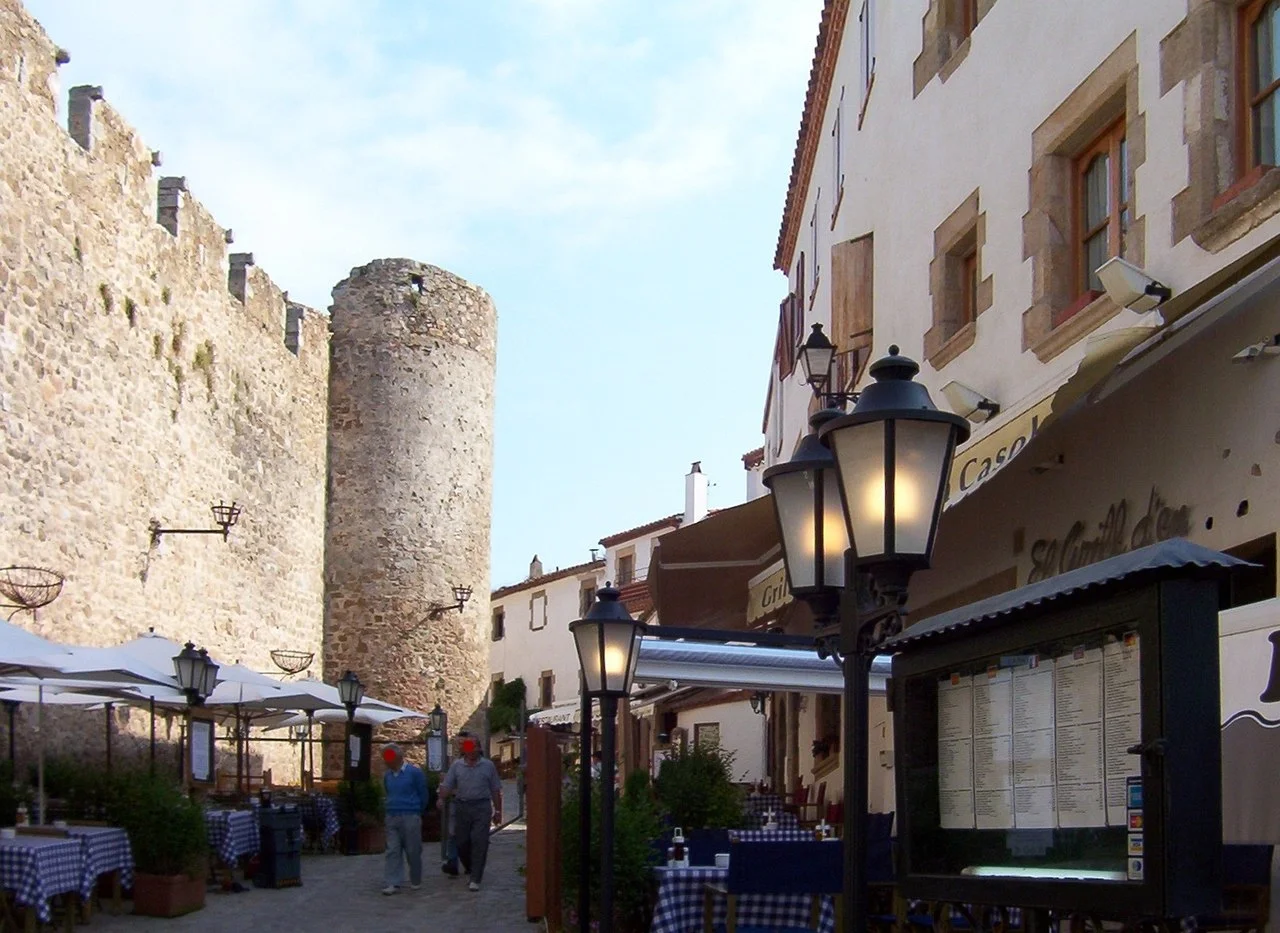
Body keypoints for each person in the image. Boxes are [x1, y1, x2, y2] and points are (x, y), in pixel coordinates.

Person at [438, 737, 503, 892]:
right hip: (462, 806)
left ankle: (475, 878)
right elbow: (447, 784)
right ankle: (470, 866)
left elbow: (495, 789)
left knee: (479, 841)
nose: (470, 750)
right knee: (462, 842)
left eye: (473, 747)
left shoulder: (488, 766)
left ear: (479, 748)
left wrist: (498, 811)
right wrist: (441, 797)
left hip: (481, 806)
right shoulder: (457, 766)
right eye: (467, 747)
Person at [381, 744, 428, 896]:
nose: (386, 761)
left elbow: (423, 794)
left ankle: (415, 879)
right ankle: (393, 882)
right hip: (392, 815)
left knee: (413, 850)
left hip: (410, 815)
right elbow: (388, 792)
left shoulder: (414, 773)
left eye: (388, 758)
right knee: (392, 850)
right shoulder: (387, 776)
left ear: (398, 758)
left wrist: (417, 810)